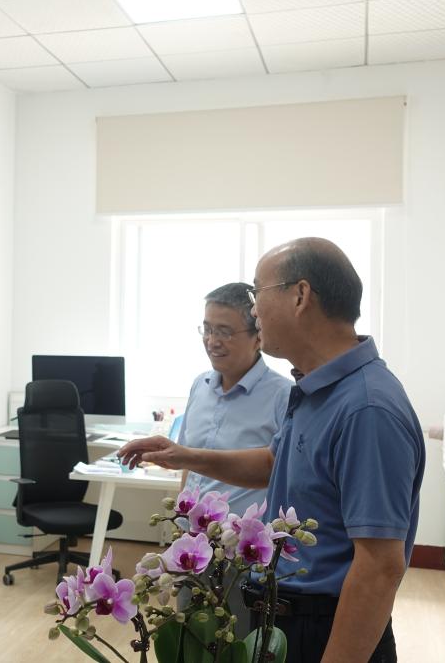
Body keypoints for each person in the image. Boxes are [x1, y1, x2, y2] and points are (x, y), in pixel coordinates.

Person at [119, 238, 424, 663]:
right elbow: (274, 464)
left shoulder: (366, 408)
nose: (254, 310)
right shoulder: (317, 388)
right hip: (282, 617)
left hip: (327, 628)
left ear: (300, 296)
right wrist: (184, 455)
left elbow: (379, 567)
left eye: (257, 292)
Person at [175, 282, 291, 635]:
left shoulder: (283, 395)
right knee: (188, 638)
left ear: (258, 336)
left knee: (236, 641)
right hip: (193, 547)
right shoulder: (199, 385)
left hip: (241, 555)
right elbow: (189, 464)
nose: (212, 341)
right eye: (207, 329)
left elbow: (280, 473)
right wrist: (177, 526)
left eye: (224, 331)